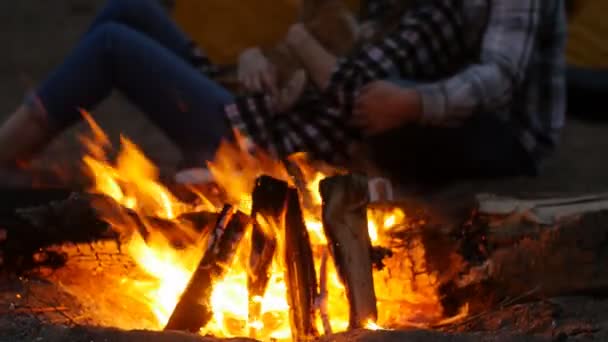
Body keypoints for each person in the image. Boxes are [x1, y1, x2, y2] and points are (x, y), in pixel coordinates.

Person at [0, 0, 567, 186]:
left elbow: (352, 82)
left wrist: (299, 48)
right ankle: (16, 154)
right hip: (278, 107)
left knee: (113, 48)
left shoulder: (436, 18)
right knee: (130, 9)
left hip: (267, 140)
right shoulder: (396, 11)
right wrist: (259, 59)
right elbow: (327, 60)